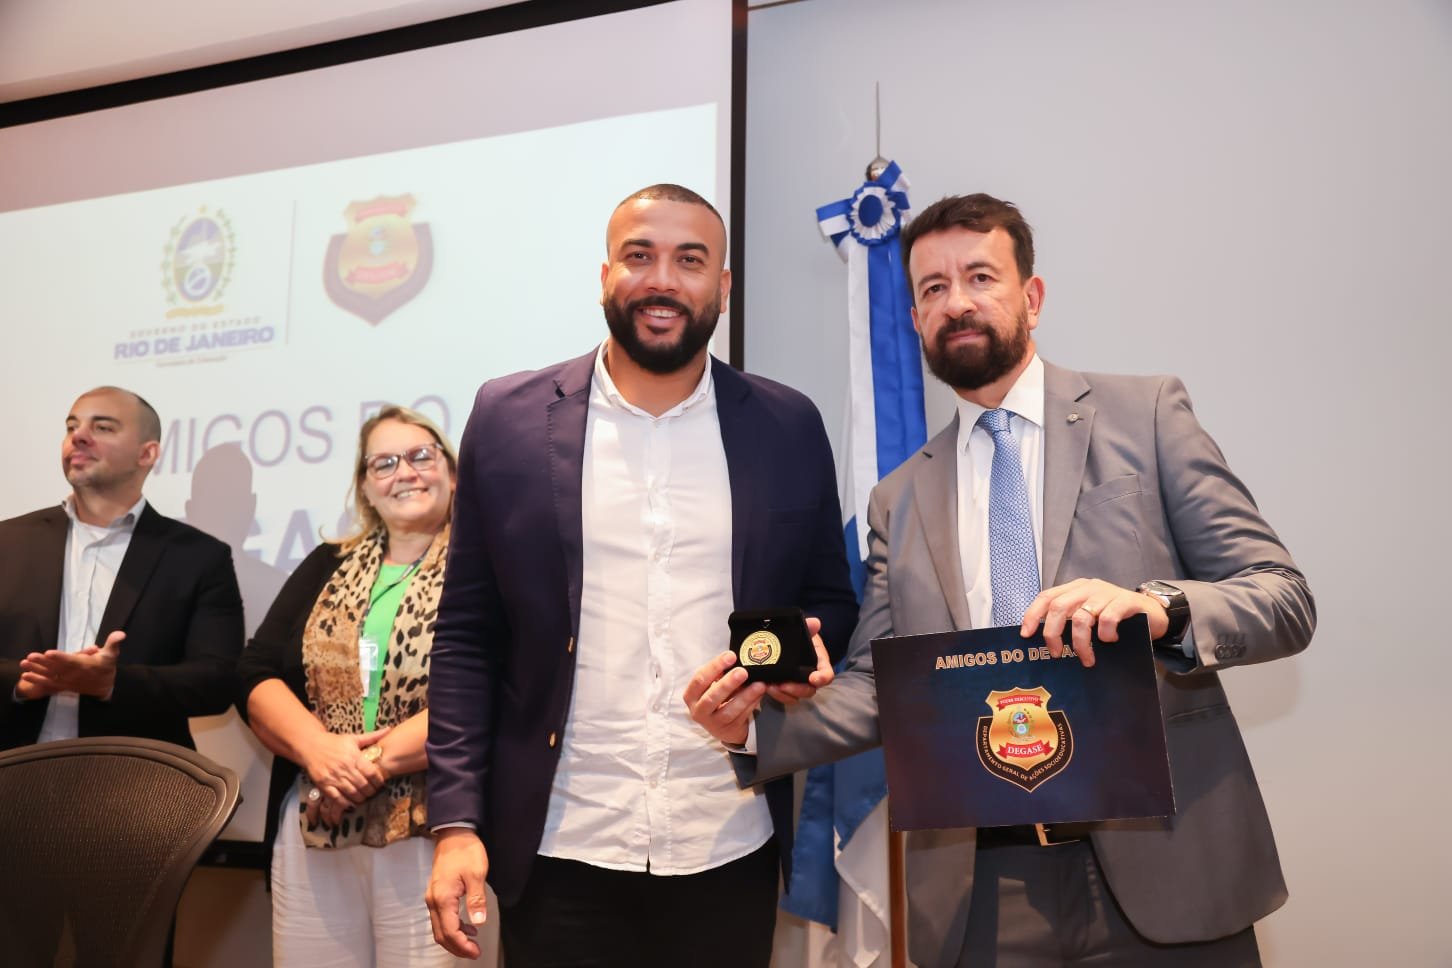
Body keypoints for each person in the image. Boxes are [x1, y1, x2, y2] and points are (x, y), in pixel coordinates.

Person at [686, 194, 1316, 967]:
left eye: (980, 276)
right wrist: (750, 728)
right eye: (932, 289)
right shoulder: (900, 498)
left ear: (1032, 296)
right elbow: (884, 686)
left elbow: (1280, 593)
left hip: (1168, 867)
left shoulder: (1145, 415)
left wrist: (1158, 607)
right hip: (981, 894)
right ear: (916, 320)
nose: (957, 302)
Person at [423, 184, 859, 967]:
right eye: (639, 256)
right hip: (559, 845)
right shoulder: (508, 417)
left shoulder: (788, 425)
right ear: (604, 276)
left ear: (723, 288)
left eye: (690, 261)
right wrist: (456, 823)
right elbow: (465, 636)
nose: (663, 280)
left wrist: (806, 665)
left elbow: (829, 598)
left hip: (728, 839)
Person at [237, 405, 468, 967]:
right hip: (316, 819)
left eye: (421, 456)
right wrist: (319, 754)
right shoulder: (326, 563)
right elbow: (255, 671)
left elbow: (490, 690)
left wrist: (362, 768)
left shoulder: (482, 566)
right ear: (366, 488)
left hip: (437, 826)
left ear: (453, 472)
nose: (404, 473)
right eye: (383, 463)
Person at [1, 385, 244, 752]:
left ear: (147, 454)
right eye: (71, 427)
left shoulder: (198, 557)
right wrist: (23, 681)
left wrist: (112, 683)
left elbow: (216, 682)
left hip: (133, 785)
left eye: (103, 427)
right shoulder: (9, 541)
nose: (78, 436)